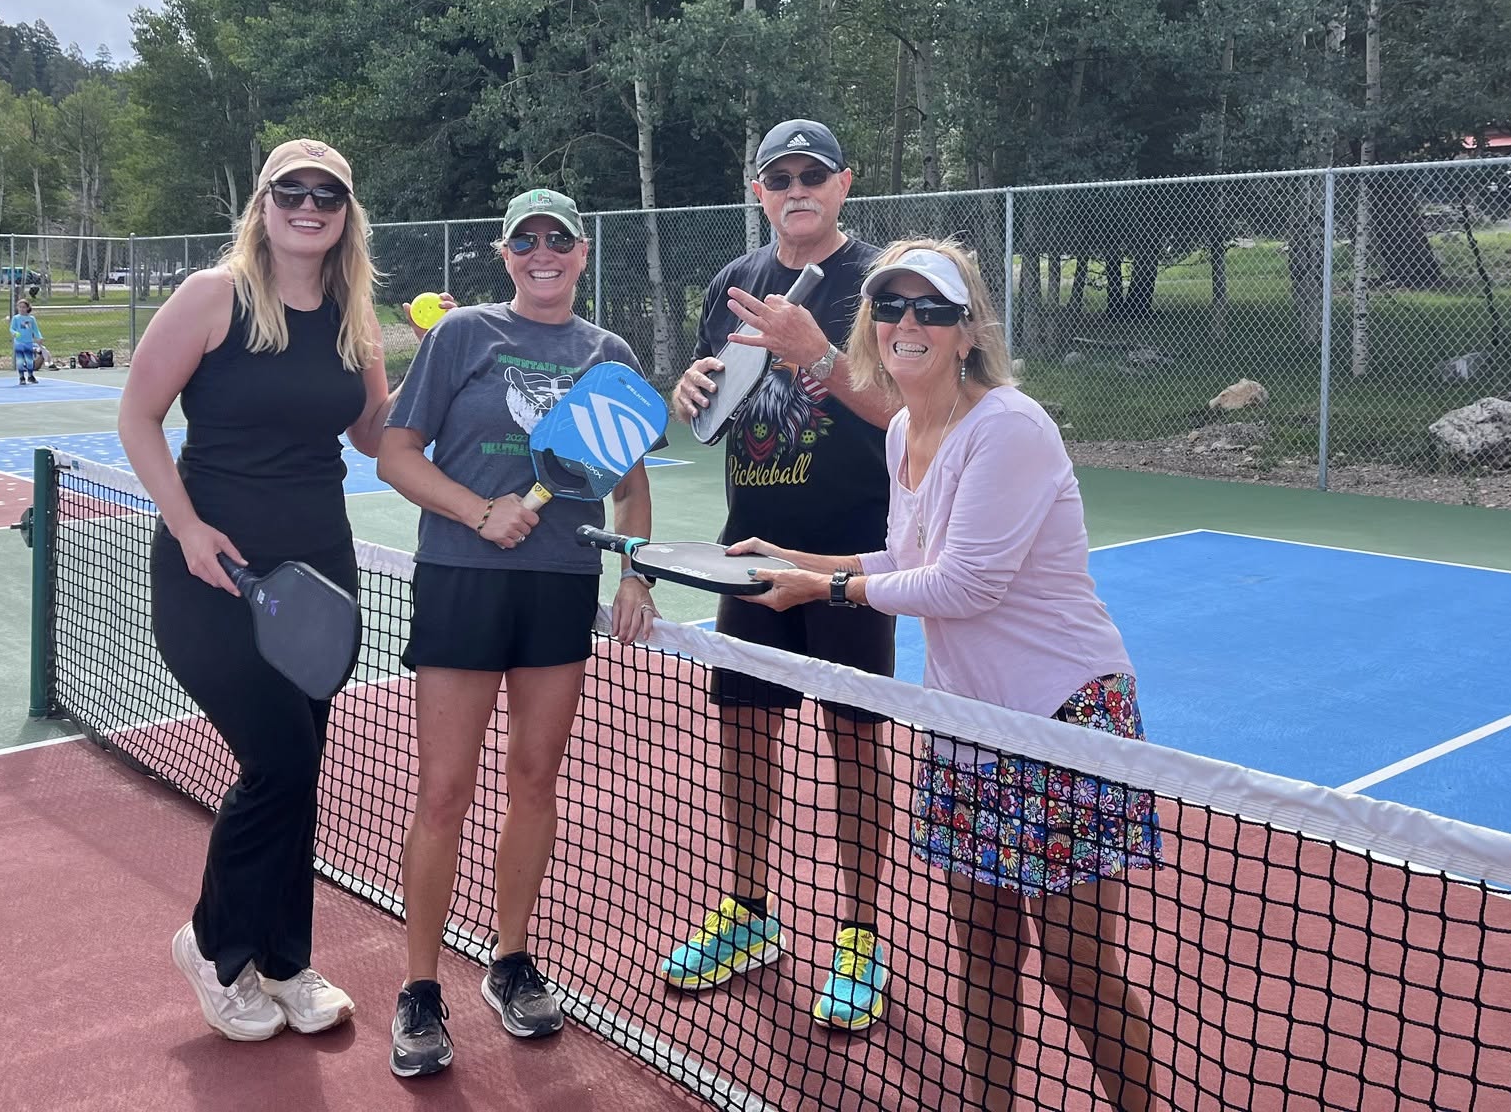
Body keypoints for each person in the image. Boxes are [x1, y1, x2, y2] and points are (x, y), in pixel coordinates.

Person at [733, 239, 1161, 1112]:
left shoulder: (1009, 425)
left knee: (1076, 971)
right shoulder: (902, 432)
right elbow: (904, 555)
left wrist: (826, 585)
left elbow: (965, 584)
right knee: (982, 949)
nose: (908, 323)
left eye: (932, 309)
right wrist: (795, 557)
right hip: (968, 726)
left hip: (1065, 718)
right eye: (891, 306)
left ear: (968, 332)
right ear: (872, 324)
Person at [376, 187, 656, 1080]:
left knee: (535, 781)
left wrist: (636, 571)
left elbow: (629, 487)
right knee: (446, 790)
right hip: (461, 581)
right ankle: (420, 989)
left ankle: (509, 960)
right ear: (506, 253)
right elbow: (395, 453)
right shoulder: (461, 337)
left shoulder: (606, 355)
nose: (545, 253)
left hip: (560, 588)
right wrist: (476, 510)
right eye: (527, 241)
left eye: (560, 241)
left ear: (581, 253)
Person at [118, 138, 392, 1043]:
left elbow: (374, 435)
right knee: (277, 764)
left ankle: (283, 960)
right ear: (263, 203)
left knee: (300, 771)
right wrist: (189, 526)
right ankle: (212, 944)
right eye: (291, 191)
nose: (308, 206)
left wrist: (448, 358)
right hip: (215, 574)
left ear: (346, 210)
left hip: (320, 571)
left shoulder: (354, 315)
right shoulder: (214, 297)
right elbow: (138, 414)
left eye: (327, 193)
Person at [659, 118, 900, 1031]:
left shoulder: (883, 286)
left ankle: (859, 935)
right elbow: (716, 405)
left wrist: (817, 353)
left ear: (844, 184)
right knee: (745, 733)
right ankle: (752, 915)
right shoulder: (732, 282)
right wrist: (690, 394)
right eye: (778, 176)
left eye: (813, 174)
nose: (796, 188)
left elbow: (905, 414)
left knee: (854, 742)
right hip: (748, 556)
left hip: (848, 558)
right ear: (759, 190)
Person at [10, 298, 43, 385]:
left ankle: (30, 376)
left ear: (27, 308)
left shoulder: (31, 319)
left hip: (28, 342)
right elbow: (12, 328)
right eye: (20, 307)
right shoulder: (16, 318)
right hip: (19, 343)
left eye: (24, 307)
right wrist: (15, 333)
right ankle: (21, 377)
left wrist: (39, 337)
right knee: (20, 361)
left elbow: (35, 330)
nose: (21, 309)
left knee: (29, 360)